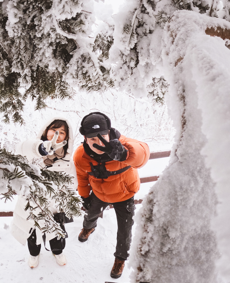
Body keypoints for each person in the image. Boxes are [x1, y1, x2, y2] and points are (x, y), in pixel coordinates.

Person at [73, 112, 150, 279]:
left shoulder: (123, 145)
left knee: (125, 229)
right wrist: (85, 196)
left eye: (102, 136)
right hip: (99, 194)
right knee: (90, 213)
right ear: (85, 138)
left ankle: (120, 259)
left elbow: (143, 153)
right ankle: (88, 228)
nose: (98, 142)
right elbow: (82, 178)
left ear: (109, 133)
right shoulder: (81, 155)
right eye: (92, 139)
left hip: (124, 195)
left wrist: (124, 154)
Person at [11, 118, 76, 269]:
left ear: (66, 137)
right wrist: (40, 149)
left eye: (62, 132)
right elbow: (19, 149)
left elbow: (72, 185)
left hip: (54, 208)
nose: (57, 134)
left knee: (57, 237)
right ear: (47, 131)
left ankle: (57, 252)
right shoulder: (32, 154)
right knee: (33, 235)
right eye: (54, 129)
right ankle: (34, 254)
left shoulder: (68, 164)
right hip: (32, 206)